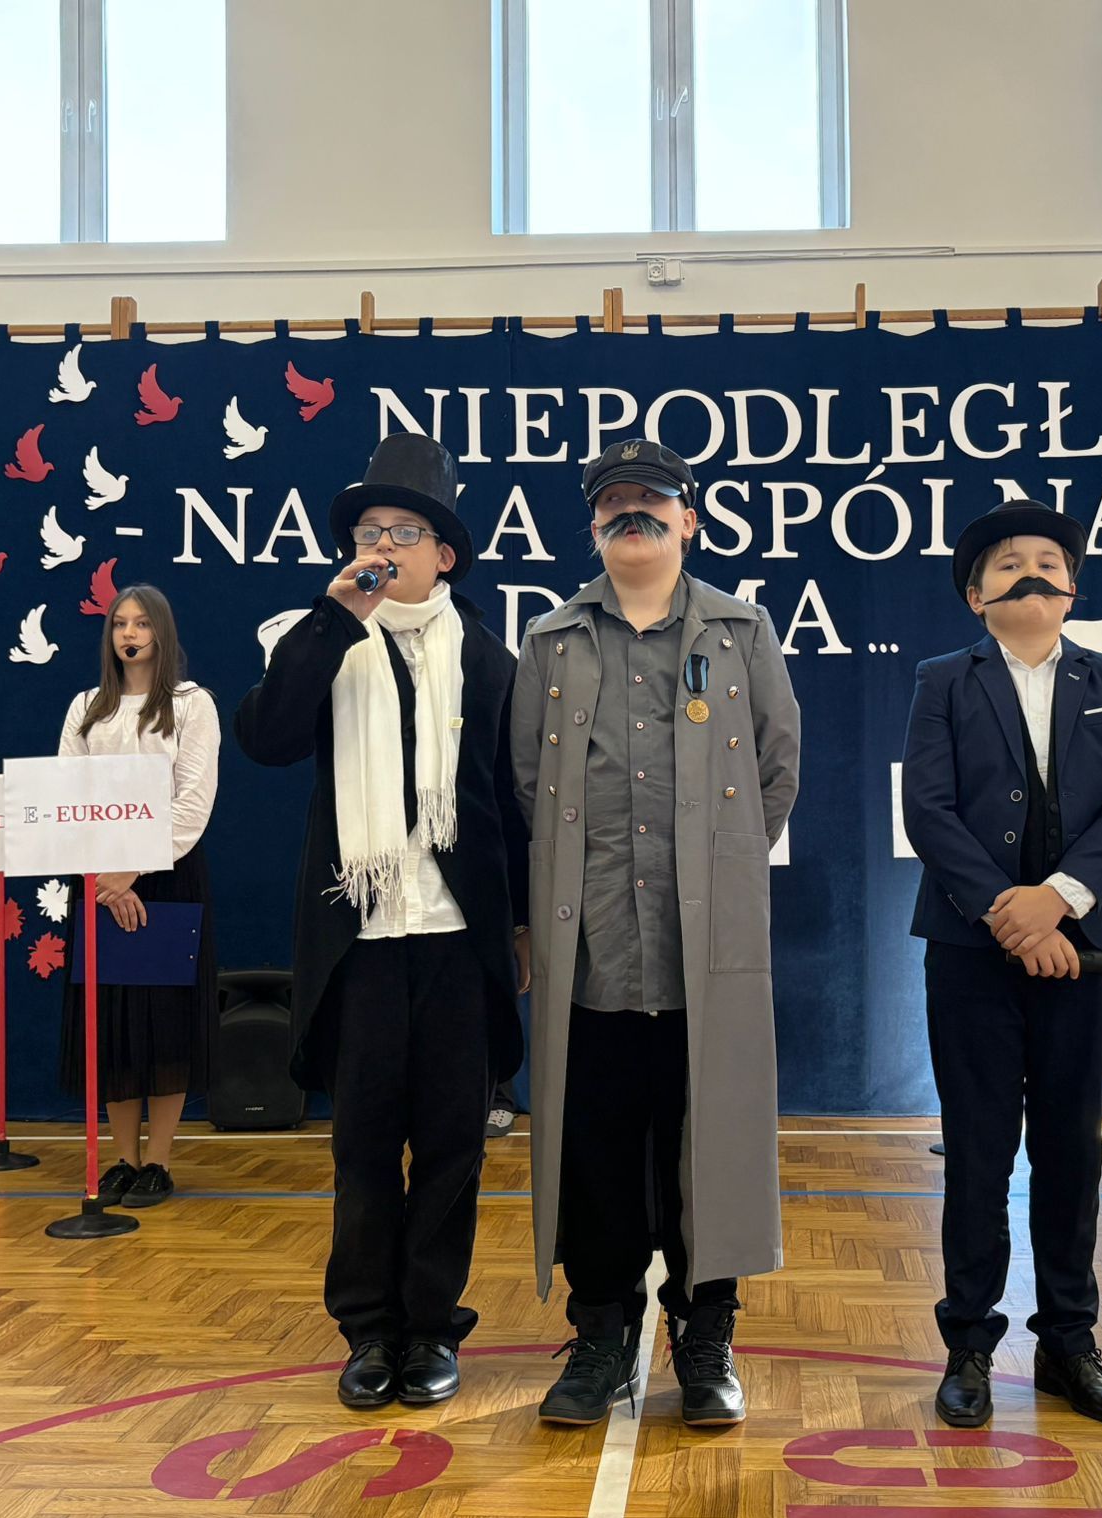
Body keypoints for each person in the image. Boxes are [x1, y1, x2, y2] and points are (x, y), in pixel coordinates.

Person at [511, 437, 800, 1429]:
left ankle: (704, 1336)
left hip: (703, 955)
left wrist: (719, 873)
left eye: (652, 500)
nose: (632, 515)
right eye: (614, 503)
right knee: (594, 1153)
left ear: (689, 518)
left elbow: (775, 770)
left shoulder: (742, 632)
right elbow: (526, 780)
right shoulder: (550, 640)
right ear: (593, 524)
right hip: (591, 950)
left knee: (705, 1148)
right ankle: (600, 1338)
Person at [236, 432, 528, 1411]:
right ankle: (368, 1330)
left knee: (452, 1146)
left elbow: (512, 807)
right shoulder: (315, 636)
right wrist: (336, 618)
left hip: (457, 939)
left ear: (445, 554)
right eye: (371, 532)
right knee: (361, 1146)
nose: (386, 547)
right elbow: (267, 738)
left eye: (407, 533)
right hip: (357, 937)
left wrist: (522, 928)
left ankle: (431, 1327)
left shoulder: (489, 658)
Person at [900, 499, 1102, 1429]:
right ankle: (969, 1344)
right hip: (972, 949)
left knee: (1071, 1149)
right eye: (1009, 564)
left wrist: (1059, 901)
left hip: (1086, 949)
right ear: (977, 596)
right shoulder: (942, 680)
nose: (1033, 574)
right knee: (977, 1150)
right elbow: (928, 810)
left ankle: (1069, 1345)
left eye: (1050, 561)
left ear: (1073, 589)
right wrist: (1011, 917)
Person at [58, 584, 221, 1210]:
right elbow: (68, 798)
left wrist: (135, 871)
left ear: (162, 633)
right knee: (113, 1022)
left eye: (142, 624)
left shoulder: (191, 704)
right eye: (120, 624)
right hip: (98, 879)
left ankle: (158, 1161)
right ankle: (122, 1159)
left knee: (164, 1020)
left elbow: (192, 801)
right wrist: (105, 879)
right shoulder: (85, 707)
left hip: (167, 874)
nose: (129, 634)